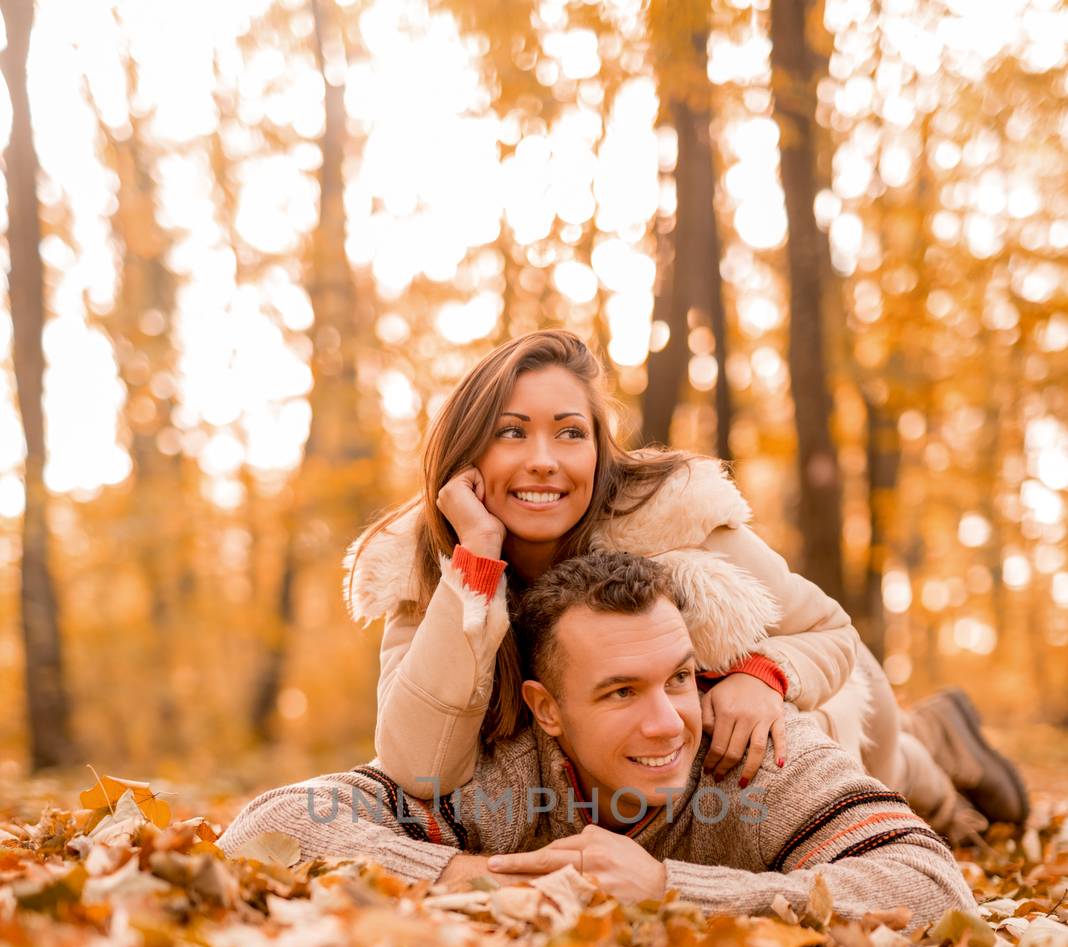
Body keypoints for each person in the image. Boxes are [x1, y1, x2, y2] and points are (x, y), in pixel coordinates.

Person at [343, 329, 1027, 846]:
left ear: (598, 451)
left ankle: (937, 742)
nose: (543, 461)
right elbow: (417, 764)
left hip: (805, 713)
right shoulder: (427, 568)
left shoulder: (670, 520)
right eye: (511, 433)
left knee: (905, 778)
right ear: (467, 457)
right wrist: (477, 563)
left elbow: (830, 631)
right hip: (645, 754)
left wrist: (763, 675)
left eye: (570, 433)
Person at [221, 552, 975, 932]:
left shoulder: (750, 748)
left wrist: (671, 891)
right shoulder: (501, 774)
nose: (666, 723)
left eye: (679, 678)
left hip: (857, 715)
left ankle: (940, 740)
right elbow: (268, 827)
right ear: (545, 709)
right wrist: (471, 875)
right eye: (620, 692)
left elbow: (932, 888)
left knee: (911, 764)